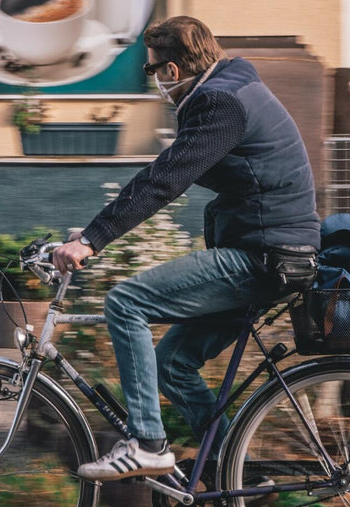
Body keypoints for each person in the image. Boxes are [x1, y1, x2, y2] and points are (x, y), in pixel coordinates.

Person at [51, 15, 321, 481]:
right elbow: (168, 174)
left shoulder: (219, 103)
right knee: (171, 365)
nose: (156, 82)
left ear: (172, 71)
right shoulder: (232, 87)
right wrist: (89, 235)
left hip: (264, 257)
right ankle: (236, 474)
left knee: (126, 302)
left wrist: (93, 240)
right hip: (273, 250)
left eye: (155, 71)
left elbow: (165, 179)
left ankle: (148, 444)